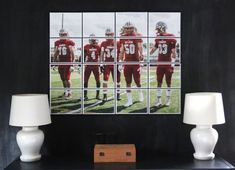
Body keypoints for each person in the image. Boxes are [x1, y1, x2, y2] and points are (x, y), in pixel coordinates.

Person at [150, 21, 177, 107]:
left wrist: (173, 63)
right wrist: (145, 54)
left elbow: (174, 52)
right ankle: (158, 100)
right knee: (159, 82)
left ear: (162, 28)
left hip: (168, 63)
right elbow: (153, 50)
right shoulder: (158, 38)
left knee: (168, 82)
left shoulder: (171, 37)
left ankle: (168, 100)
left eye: (158, 29)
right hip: (160, 63)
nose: (157, 30)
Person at [119, 22, 144, 107]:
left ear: (133, 28)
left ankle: (140, 93)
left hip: (136, 62)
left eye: (130, 28)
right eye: (127, 28)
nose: (129, 29)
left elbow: (140, 47)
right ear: (125, 28)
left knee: (137, 81)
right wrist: (120, 61)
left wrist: (141, 59)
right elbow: (122, 50)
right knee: (128, 82)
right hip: (127, 63)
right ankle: (129, 100)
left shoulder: (137, 35)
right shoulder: (122, 37)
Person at [100, 28, 121, 102]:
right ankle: (104, 96)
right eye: (107, 34)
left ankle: (118, 94)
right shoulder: (103, 43)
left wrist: (121, 62)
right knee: (105, 80)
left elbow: (121, 53)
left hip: (116, 64)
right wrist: (101, 63)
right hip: (107, 64)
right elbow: (102, 54)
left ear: (113, 34)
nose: (108, 36)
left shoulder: (117, 43)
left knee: (117, 81)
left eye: (110, 34)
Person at [54, 28, 75, 100]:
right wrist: (54, 62)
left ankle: (69, 93)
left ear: (66, 34)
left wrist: (72, 64)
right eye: (61, 34)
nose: (63, 35)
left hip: (68, 62)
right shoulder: (57, 42)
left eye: (64, 34)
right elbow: (56, 53)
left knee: (67, 78)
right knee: (63, 79)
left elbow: (72, 53)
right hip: (61, 63)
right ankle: (65, 91)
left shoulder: (70, 42)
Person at [83, 34, 101, 100]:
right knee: (85, 80)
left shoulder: (98, 47)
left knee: (98, 80)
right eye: (92, 40)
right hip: (88, 65)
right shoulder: (86, 46)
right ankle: (85, 95)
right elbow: (83, 56)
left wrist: (101, 64)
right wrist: (81, 64)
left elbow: (101, 56)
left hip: (96, 66)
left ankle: (97, 95)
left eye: (94, 40)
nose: (93, 41)